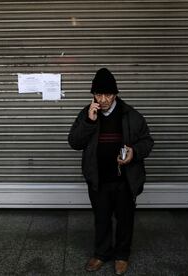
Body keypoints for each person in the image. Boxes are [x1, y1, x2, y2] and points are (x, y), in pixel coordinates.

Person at [68, 68, 154, 275]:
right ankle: (101, 253)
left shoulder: (131, 115)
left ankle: (122, 255)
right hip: (99, 179)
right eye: (98, 94)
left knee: (125, 219)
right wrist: (89, 121)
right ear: (93, 95)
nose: (103, 99)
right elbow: (74, 142)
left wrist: (134, 152)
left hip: (125, 179)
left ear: (115, 94)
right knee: (101, 218)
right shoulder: (87, 113)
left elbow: (148, 142)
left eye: (108, 94)